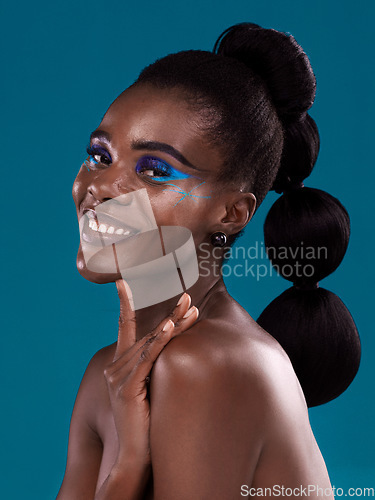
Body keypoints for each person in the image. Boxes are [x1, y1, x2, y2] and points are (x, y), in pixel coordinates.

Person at [56, 22, 361, 499]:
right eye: (99, 155)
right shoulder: (109, 377)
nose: (98, 188)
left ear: (232, 212)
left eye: (154, 170)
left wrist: (129, 469)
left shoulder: (207, 365)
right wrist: (131, 461)